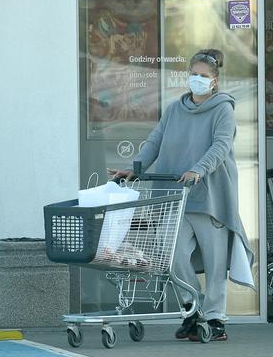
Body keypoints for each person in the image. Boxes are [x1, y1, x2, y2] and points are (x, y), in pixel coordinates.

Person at [108, 49, 255, 342]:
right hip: (175, 196)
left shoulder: (223, 109)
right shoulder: (175, 109)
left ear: (215, 81)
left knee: (215, 263)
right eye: (194, 75)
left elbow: (221, 146)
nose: (198, 80)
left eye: (204, 76)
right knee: (173, 259)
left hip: (210, 196)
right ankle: (193, 310)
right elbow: (155, 141)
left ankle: (215, 320)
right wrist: (134, 169)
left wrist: (198, 170)